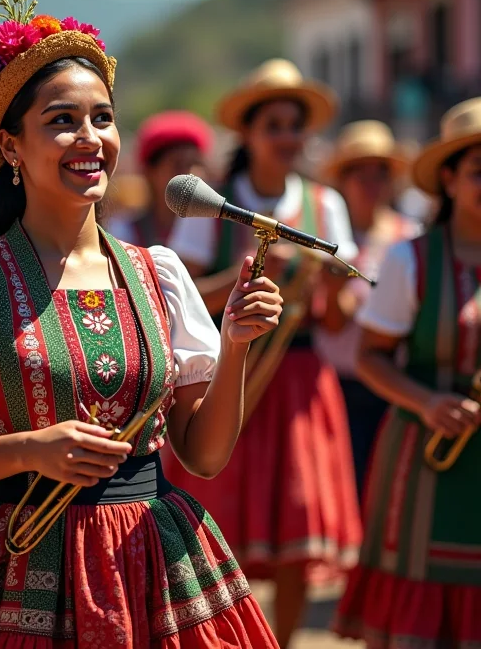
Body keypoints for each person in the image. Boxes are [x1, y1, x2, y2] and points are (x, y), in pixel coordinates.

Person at [0, 0, 284, 647]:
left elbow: (204, 456)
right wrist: (28, 449)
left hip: (150, 562)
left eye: (103, 118)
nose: (90, 138)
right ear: (12, 147)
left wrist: (236, 344)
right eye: (63, 120)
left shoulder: (159, 273)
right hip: (19, 567)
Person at [165, 59, 362, 648]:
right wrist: (245, 273)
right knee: (226, 524)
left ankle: (289, 642)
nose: (286, 137)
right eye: (273, 124)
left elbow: (335, 316)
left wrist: (333, 288)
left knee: (298, 534)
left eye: (294, 125)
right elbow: (180, 300)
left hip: (302, 380)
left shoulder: (326, 207)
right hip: (233, 375)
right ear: (248, 135)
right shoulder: (212, 206)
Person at [334, 98, 481, 649]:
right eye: (477, 171)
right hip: (426, 463)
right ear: (448, 179)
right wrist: (427, 403)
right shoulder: (409, 260)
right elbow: (370, 357)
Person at [314, 120, 419, 500]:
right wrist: (335, 288)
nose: (371, 185)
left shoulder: (411, 237)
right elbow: (332, 320)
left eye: (380, 174)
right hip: (339, 386)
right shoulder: (329, 240)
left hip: (397, 385)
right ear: (344, 180)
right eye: (361, 174)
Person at [109, 110, 213, 247]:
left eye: (196, 164)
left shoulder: (215, 228)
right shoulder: (124, 232)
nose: (190, 174)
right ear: (150, 171)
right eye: (178, 165)